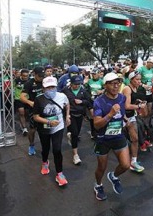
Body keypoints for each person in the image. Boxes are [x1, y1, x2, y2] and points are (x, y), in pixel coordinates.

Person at [92, 72, 131, 201]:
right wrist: (110, 114)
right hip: (103, 139)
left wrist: (125, 120)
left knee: (125, 165)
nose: (116, 86)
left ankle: (113, 176)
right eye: (113, 83)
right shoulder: (99, 102)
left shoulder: (121, 98)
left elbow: (122, 113)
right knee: (101, 167)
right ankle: (98, 185)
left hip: (118, 136)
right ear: (106, 85)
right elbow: (97, 125)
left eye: (118, 83)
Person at [32, 76, 71, 186]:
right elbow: (35, 117)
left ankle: (60, 174)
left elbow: (67, 104)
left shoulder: (62, 96)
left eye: (53, 87)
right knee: (45, 148)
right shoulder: (39, 99)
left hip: (58, 127)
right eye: (48, 87)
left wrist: (67, 116)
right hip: (44, 128)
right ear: (43, 88)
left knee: (57, 149)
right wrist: (48, 122)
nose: (50, 89)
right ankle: (45, 162)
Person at [62, 75, 92, 165]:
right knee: (75, 134)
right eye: (75, 84)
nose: (77, 86)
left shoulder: (83, 91)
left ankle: (71, 136)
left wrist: (82, 102)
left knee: (76, 133)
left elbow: (89, 101)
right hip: (70, 114)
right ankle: (75, 155)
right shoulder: (65, 90)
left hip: (80, 115)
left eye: (78, 84)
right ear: (71, 83)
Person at [122, 71, 148, 172]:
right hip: (121, 116)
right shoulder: (126, 89)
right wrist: (138, 106)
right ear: (131, 79)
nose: (139, 81)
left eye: (140, 79)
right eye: (137, 79)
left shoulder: (135, 88)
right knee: (118, 140)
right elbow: (126, 106)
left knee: (135, 139)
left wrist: (138, 102)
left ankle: (133, 161)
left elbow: (132, 102)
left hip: (131, 116)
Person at [20, 67, 45, 156]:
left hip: (44, 108)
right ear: (34, 74)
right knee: (33, 130)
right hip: (34, 110)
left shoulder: (45, 81)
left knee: (45, 128)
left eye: (42, 75)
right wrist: (29, 102)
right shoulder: (29, 83)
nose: (41, 78)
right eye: (39, 76)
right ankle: (31, 145)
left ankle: (45, 146)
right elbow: (22, 97)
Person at [13, 69, 29, 135]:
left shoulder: (29, 81)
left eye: (27, 76)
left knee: (26, 113)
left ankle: (23, 124)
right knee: (21, 113)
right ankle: (24, 128)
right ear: (21, 75)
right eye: (24, 76)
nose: (25, 77)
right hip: (18, 99)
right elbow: (12, 88)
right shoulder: (16, 80)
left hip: (27, 99)